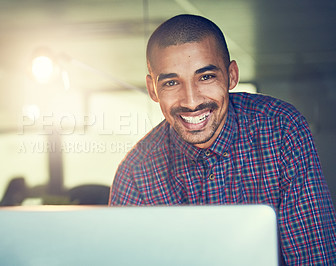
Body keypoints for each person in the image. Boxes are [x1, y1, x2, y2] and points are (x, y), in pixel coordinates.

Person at [109, 14, 336, 264]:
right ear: (153, 90)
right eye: (172, 82)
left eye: (206, 77)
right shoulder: (135, 172)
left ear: (231, 75)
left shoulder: (280, 129)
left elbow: (315, 257)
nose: (191, 101)